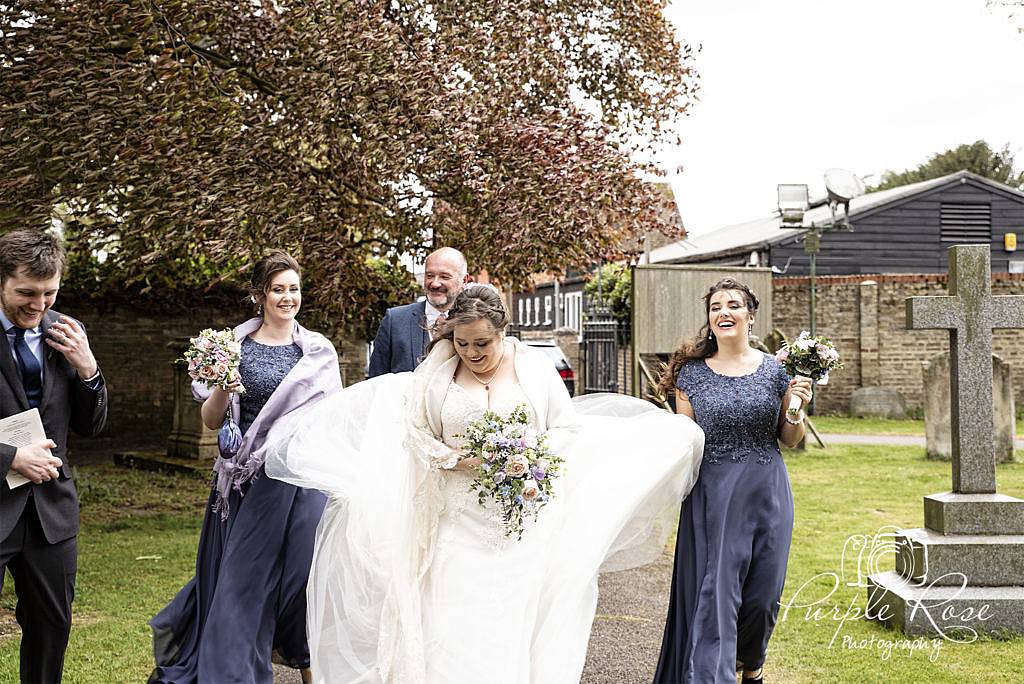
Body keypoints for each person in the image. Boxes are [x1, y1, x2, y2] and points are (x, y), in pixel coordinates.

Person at [266, 285, 706, 683]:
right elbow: (416, 436)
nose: (472, 353)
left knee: (509, 620)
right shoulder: (436, 375)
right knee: (453, 619)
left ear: (502, 332)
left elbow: (567, 431)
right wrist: (457, 459)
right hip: (455, 521)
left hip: (521, 524)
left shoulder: (534, 370)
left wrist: (527, 454)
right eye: (462, 343)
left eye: (482, 343)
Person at [149, 251, 342, 684]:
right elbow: (212, 420)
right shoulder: (231, 347)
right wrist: (223, 385)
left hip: (301, 483)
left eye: (294, 289)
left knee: (299, 580)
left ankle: (306, 660)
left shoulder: (319, 353)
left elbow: (330, 424)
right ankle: (235, 673)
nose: (287, 297)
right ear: (259, 295)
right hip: (245, 480)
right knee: (243, 582)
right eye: (278, 289)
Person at [652, 278, 813, 684]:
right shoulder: (690, 375)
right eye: (715, 307)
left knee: (763, 598)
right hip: (714, 497)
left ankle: (752, 667)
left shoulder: (777, 371)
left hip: (768, 493)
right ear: (709, 319)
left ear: (750, 316)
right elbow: (682, 442)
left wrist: (797, 410)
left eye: (733, 305)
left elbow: (790, 439)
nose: (724, 312)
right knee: (718, 598)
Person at [0, 229, 107, 684]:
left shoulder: (65, 330)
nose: (38, 305)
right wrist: (8, 457)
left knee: (51, 629)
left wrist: (88, 369)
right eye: (26, 292)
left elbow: (91, 426)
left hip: (51, 513)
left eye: (49, 293)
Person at [367, 246, 471, 377]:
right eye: (430, 276)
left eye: (444, 277)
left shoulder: (473, 321)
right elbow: (376, 382)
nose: (435, 284)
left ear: (464, 280)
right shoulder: (394, 321)